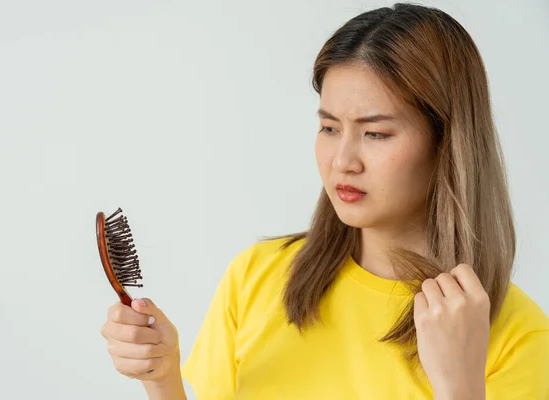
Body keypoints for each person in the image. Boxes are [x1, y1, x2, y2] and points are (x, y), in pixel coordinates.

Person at [99, 3, 549, 399]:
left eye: (376, 133)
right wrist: (163, 378)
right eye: (330, 127)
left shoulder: (519, 336)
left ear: (448, 142)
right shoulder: (256, 276)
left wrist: (459, 388)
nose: (342, 161)